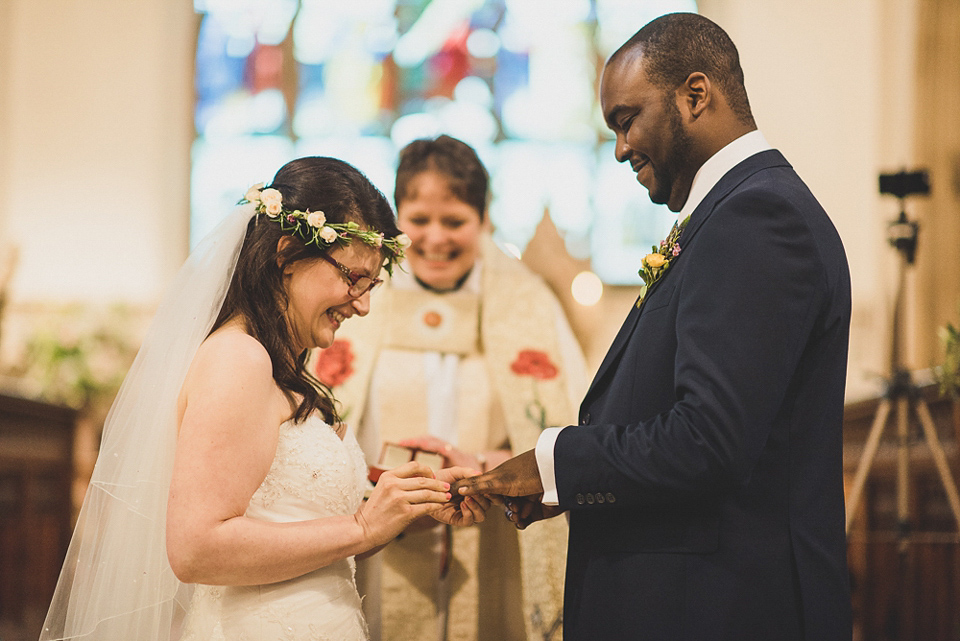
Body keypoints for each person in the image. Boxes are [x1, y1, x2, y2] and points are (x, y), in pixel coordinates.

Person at [456, 12, 853, 641]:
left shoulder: (757, 217)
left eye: (626, 119)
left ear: (696, 95)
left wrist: (555, 461)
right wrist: (565, 488)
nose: (618, 148)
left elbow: (707, 440)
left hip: (723, 609)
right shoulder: (730, 215)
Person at [40, 157, 488, 641]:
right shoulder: (238, 358)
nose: (363, 304)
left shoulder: (280, 366)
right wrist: (361, 527)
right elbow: (196, 549)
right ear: (287, 253)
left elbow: (301, 534)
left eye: (372, 283)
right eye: (353, 278)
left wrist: (402, 508)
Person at [309, 135, 587, 641]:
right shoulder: (355, 298)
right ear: (396, 222)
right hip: (375, 521)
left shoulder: (527, 303)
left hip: (489, 530)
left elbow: (570, 421)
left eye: (454, 221)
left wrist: (496, 461)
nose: (435, 238)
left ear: (484, 221)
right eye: (419, 220)